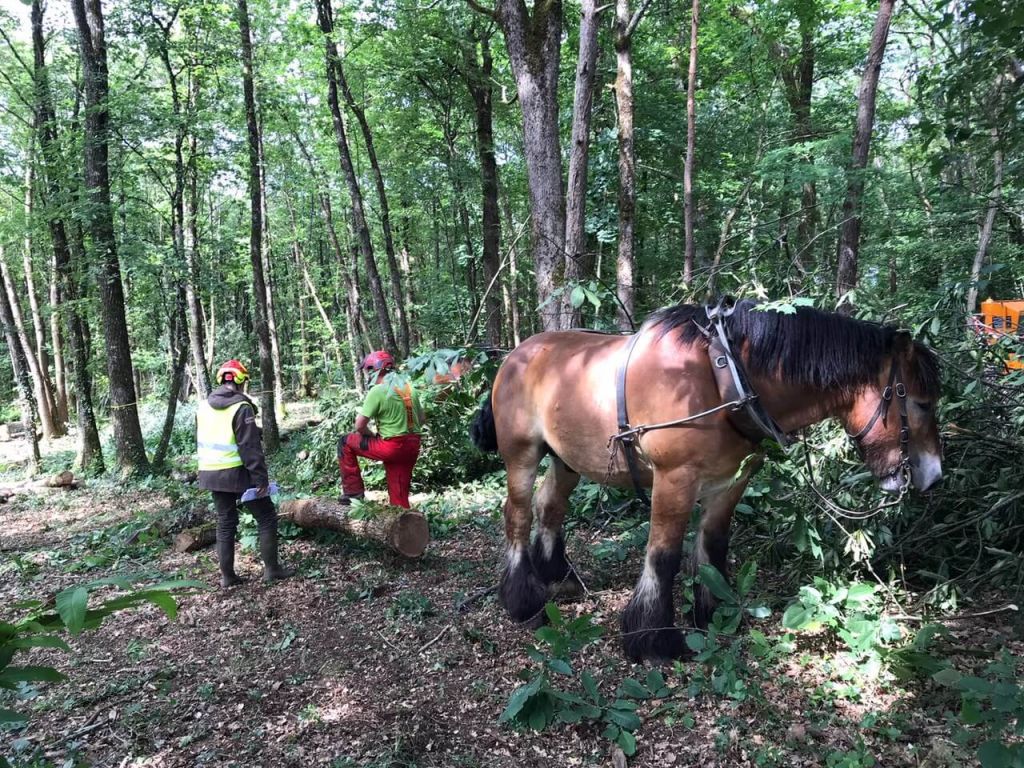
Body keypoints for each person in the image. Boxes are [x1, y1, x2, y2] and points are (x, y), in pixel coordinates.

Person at [197, 359, 294, 587]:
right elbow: (249, 447)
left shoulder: (203, 406)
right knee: (267, 517)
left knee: (225, 522)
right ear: (241, 381)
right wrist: (260, 478)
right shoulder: (241, 407)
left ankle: (227, 577)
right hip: (238, 472)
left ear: (222, 379)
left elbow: (216, 433)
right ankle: (272, 570)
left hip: (211, 472)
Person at [338, 351, 424, 508]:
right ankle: (404, 523)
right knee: (399, 495)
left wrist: (372, 436)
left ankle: (353, 492)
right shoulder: (410, 388)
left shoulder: (377, 390)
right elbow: (422, 419)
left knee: (345, 442)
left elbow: (359, 426)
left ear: (373, 370)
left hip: (391, 446)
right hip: (413, 446)